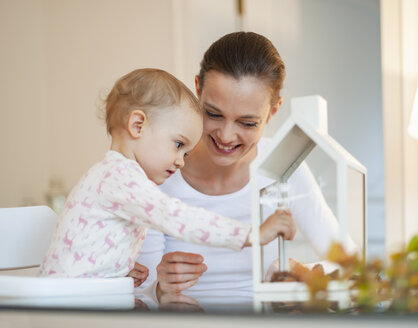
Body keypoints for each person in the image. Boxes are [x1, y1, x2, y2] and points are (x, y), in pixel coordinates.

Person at [137, 32, 354, 300]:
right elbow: (136, 293)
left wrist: (301, 274)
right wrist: (159, 289)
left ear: (273, 112)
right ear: (198, 90)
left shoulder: (287, 166)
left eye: (247, 123)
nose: (226, 136)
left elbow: (353, 267)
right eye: (213, 114)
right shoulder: (158, 172)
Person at [38, 68, 296, 283]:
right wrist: (253, 234)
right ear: (138, 125)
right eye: (178, 144)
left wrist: (115, 267)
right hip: (69, 304)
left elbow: (82, 252)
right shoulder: (122, 177)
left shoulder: (109, 175)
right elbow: (179, 217)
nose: (181, 161)